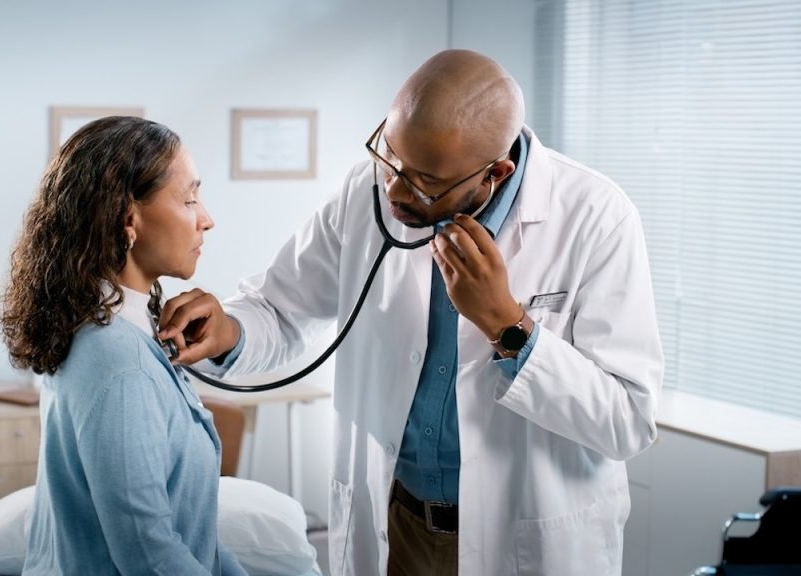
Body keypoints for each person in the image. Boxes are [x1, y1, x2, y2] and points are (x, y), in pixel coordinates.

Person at [158, 50, 664, 575]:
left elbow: (627, 420)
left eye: (424, 181)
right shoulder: (367, 191)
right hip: (396, 526)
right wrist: (230, 330)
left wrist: (506, 325)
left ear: (496, 173)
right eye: (391, 156)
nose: (394, 189)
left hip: (522, 541)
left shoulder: (596, 218)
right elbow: (279, 308)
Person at [0, 116, 246, 575]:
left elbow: (195, 542)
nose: (206, 219)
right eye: (189, 199)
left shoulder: (109, 326)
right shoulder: (119, 362)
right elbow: (150, 556)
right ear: (129, 218)